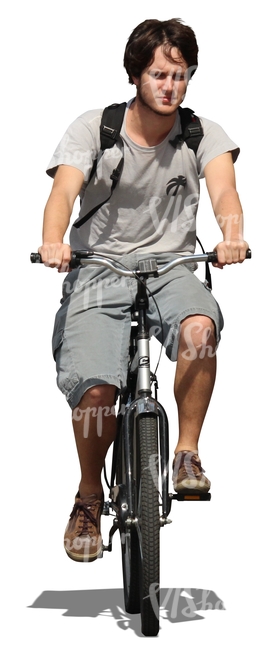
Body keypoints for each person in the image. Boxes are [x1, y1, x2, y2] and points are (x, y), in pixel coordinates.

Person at [39, 18, 249, 562]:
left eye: (181, 76)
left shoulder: (202, 134)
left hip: (173, 266)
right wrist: (52, 241)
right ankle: (88, 495)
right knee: (95, 391)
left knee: (200, 329)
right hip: (97, 269)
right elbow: (64, 190)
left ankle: (186, 453)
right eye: (159, 74)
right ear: (136, 75)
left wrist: (232, 237)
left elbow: (225, 190)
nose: (170, 87)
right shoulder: (97, 128)